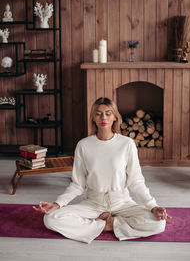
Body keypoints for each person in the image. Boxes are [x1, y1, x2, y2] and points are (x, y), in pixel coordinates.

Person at [34, 97, 171, 243]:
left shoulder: (127, 144)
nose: (103, 117)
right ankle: (104, 224)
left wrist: (153, 206)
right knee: (51, 219)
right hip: (93, 204)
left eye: (108, 113)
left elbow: (136, 181)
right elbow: (78, 184)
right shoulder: (83, 145)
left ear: (115, 117)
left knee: (158, 223)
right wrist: (58, 203)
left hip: (122, 203)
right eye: (98, 113)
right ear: (93, 117)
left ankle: (110, 224)